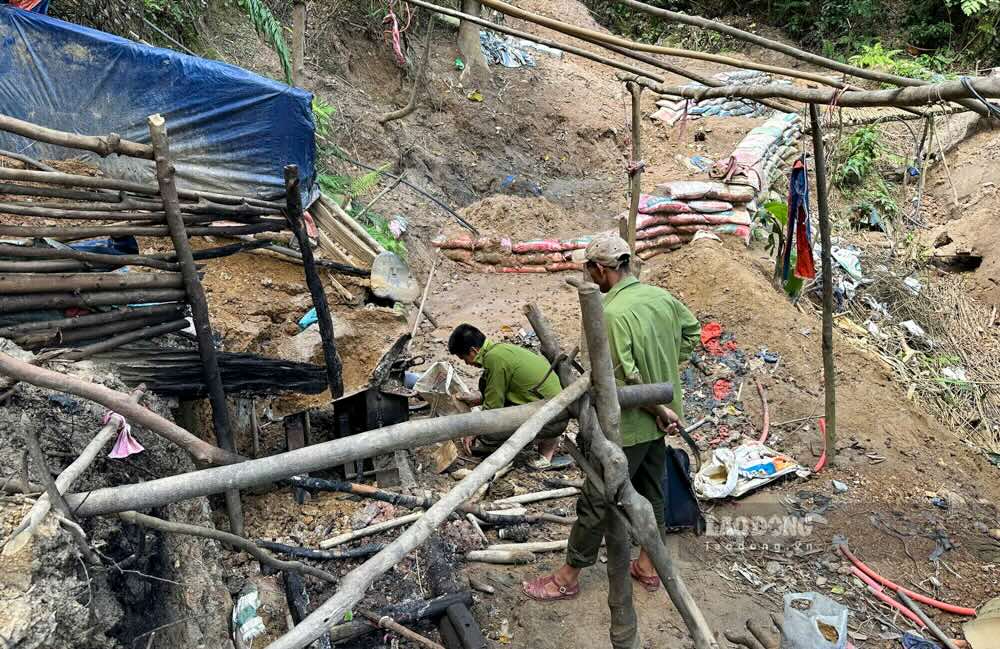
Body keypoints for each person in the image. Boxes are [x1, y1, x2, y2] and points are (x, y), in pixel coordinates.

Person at [522, 234, 700, 604]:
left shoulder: (612, 313)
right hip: (660, 420)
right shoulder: (660, 296)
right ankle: (648, 564)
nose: (590, 277)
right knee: (652, 489)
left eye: (590, 270)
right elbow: (692, 331)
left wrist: (655, 405)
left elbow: (619, 379)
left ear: (601, 269)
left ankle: (568, 576)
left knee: (597, 498)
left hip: (631, 423)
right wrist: (668, 368)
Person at [448, 323, 568, 469]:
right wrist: (478, 398)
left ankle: (541, 439)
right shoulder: (500, 350)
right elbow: (504, 391)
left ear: (473, 350)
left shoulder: (494, 359)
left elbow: (493, 409)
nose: (466, 363)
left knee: (489, 435)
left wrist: (473, 431)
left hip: (551, 419)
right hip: (556, 412)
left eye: (464, 358)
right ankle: (545, 440)